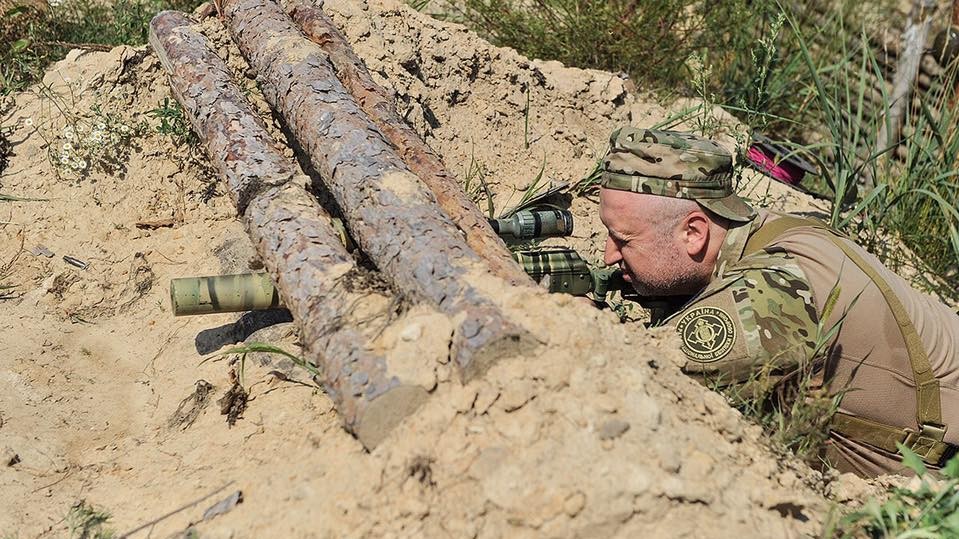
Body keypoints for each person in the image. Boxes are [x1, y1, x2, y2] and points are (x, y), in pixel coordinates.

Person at [598, 126, 959, 477]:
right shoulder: (773, 230)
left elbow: (640, 378)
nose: (607, 256)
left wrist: (577, 320)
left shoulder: (774, 287)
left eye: (623, 239)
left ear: (694, 233)